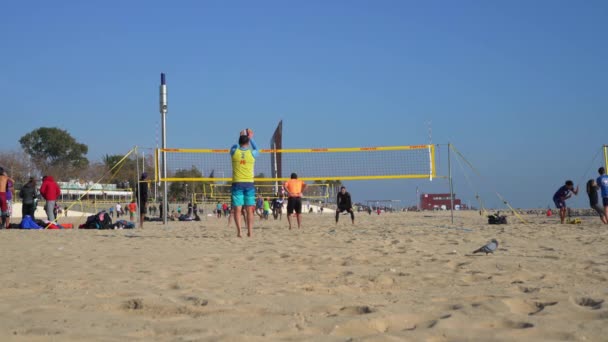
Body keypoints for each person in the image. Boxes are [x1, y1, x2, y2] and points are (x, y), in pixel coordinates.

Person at [230, 128, 258, 237]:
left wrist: (241, 137)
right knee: (249, 210)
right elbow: (257, 148)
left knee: (237, 209)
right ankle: (250, 231)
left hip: (237, 184)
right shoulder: (252, 153)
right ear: (247, 142)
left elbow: (234, 147)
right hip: (249, 184)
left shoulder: (234, 151)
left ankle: (239, 232)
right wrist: (251, 138)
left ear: (239, 142)